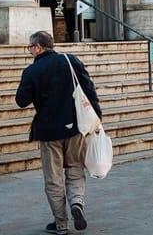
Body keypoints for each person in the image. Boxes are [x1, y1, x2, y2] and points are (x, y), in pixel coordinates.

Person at [16, 30, 100, 235]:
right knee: (75, 168)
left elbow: (21, 101)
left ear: (38, 47)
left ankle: (61, 224)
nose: (30, 51)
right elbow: (89, 87)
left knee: (53, 178)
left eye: (30, 47)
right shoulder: (70, 61)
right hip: (75, 125)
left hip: (48, 131)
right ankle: (77, 203)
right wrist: (97, 116)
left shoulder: (31, 71)